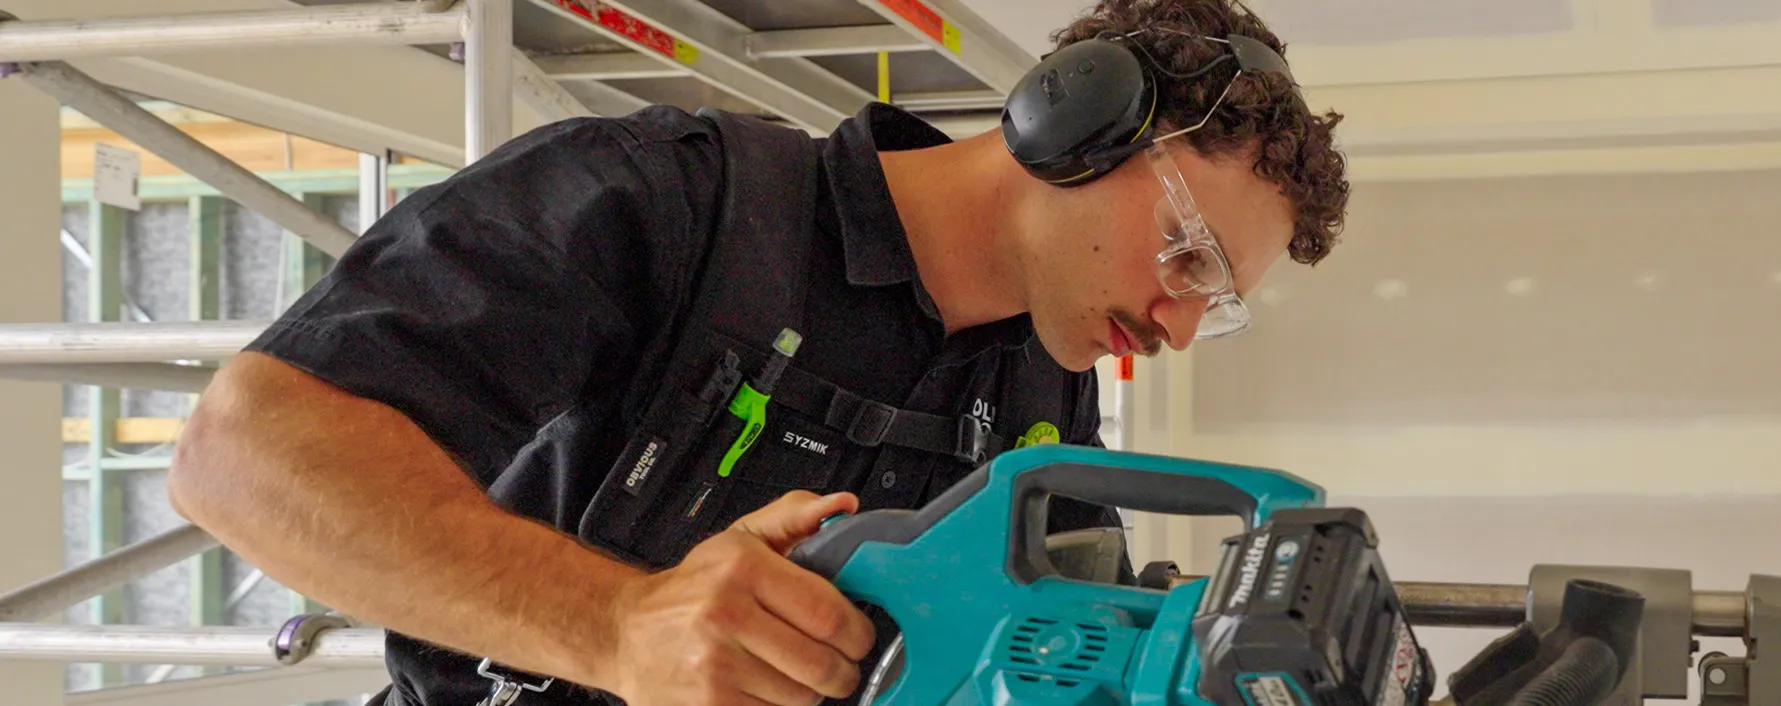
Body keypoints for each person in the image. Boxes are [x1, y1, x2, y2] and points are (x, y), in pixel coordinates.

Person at [166, 0, 1349, 703]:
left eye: (1218, 303)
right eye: (1188, 255)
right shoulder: (670, 204)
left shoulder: (1047, 393)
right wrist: (619, 627)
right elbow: (246, 453)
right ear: (1073, 122)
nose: (1182, 323)